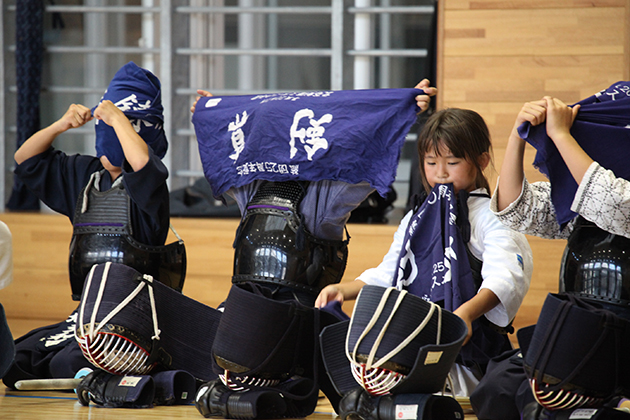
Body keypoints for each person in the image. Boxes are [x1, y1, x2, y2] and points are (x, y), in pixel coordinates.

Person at [315, 107, 533, 397]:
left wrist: (465, 314)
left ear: (482, 161)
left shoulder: (493, 215)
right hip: (413, 344)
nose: (440, 173)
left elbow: (505, 278)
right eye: (431, 162)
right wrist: (342, 290)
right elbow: (392, 272)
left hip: (469, 356)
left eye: (452, 162)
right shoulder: (416, 216)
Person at [2, 61, 177, 389]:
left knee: (67, 361)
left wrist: (117, 118)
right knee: (16, 359)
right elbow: (25, 159)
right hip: (87, 314)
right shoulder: (84, 176)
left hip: (134, 318)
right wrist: (61, 125)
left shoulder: (150, 186)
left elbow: (141, 164)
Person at [471, 91, 630, 419]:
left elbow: (614, 204)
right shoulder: (583, 199)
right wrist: (518, 134)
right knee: (498, 386)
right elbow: (517, 209)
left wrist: (560, 134)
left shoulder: (609, 194)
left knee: (552, 408)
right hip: (578, 321)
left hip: (622, 335)